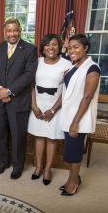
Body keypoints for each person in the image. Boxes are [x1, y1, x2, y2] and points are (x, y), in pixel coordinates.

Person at [0, 19, 38, 180]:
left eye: (15, 30)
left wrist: (9, 91)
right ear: (4, 32)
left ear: (20, 30)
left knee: (18, 136)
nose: (12, 34)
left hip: (18, 101)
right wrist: (0, 91)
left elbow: (28, 75)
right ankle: (3, 162)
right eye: (9, 30)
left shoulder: (30, 49)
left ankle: (17, 166)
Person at [28, 34, 72, 185]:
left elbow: (66, 91)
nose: (51, 47)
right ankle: (39, 166)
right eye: (47, 44)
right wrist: (34, 107)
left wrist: (53, 110)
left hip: (55, 108)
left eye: (54, 44)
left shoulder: (67, 65)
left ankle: (48, 169)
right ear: (43, 47)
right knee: (39, 137)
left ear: (59, 46)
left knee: (51, 138)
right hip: (37, 105)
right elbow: (31, 85)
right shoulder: (37, 62)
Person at [59, 34, 101, 196]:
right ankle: (71, 178)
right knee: (70, 151)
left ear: (86, 47)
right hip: (69, 115)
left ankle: (74, 181)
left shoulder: (92, 68)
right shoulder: (74, 66)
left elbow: (87, 96)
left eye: (76, 47)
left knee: (74, 152)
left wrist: (75, 122)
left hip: (78, 118)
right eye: (70, 48)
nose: (71, 50)